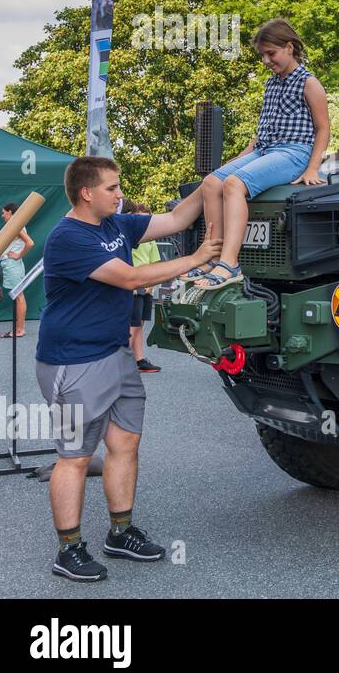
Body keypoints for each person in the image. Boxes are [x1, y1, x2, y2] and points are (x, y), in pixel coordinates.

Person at [35, 155, 219, 582]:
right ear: (87, 193)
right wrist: (198, 258)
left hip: (116, 354)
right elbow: (130, 279)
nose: (120, 195)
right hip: (72, 362)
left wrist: (220, 176)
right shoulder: (67, 238)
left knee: (125, 444)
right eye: (112, 188)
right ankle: (69, 549)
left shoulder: (116, 226)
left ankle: (120, 533)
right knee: (75, 458)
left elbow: (176, 217)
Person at [193, 18, 330, 289]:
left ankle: (230, 264)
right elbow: (261, 136)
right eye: (263, 55)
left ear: (289, 47)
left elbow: (323, 128)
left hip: (294, 152)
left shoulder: (308, 83)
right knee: (212, 182)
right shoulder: (271, 84)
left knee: (233, 185)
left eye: (271, 53)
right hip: (265, 151)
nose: (266, 60)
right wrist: (238, 160)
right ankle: (211, 256)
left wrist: (312, 168)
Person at [122, 200, 162, 373]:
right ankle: (122, 361)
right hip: (133, 285)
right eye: (140, 220)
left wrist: (151, 284)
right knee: (132, 324)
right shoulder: (129, 238)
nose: (144, 224)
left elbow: (154, 263)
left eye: (147, 220)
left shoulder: (151, 240)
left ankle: (139, 360)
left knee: (140, 324)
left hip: (147, 287)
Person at [0, 202, 35, 338]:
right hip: (11, 266)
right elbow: (8, 244)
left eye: (4, 212)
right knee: (18, 296)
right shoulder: (13, 226)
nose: (2, 215)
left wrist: (18, 255)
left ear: (10, 212)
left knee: (19, 296)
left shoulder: (17, 226)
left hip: (13, 266)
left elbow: (30, 243)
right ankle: (19, 328)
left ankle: (20, 330)